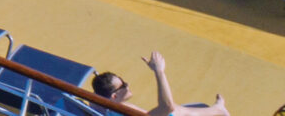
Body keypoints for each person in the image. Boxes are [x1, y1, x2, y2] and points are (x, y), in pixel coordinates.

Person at [91, 51, 228, 116]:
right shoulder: (123, 112)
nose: (128, 85)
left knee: (178, 110)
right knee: (176, 111)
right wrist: (159, 71)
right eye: (124, 85)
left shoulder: (95, 103)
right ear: (114, 96)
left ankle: (218, 109)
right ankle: (219, 109)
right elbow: (167, 107)